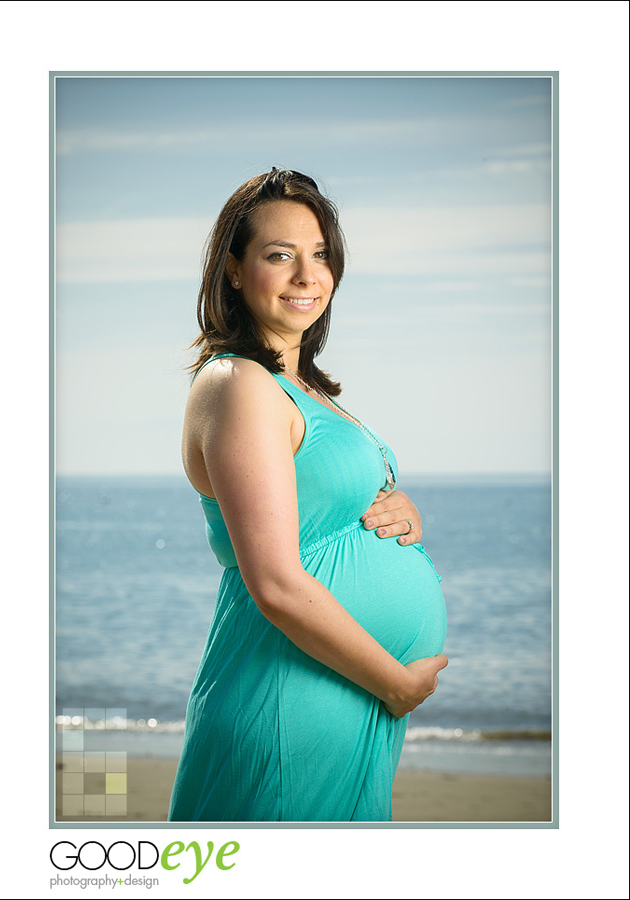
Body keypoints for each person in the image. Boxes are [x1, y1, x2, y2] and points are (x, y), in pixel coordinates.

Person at [168, 168, 448, 822]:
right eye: (279, 255)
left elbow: (320, 506)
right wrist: (396, 682)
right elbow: (275, 582)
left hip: (344, 702)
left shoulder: (305, 390)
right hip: (287, 704)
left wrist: (397, 513)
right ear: (233, 270)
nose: (306, 274)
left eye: (320, 254)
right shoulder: (236, 382)